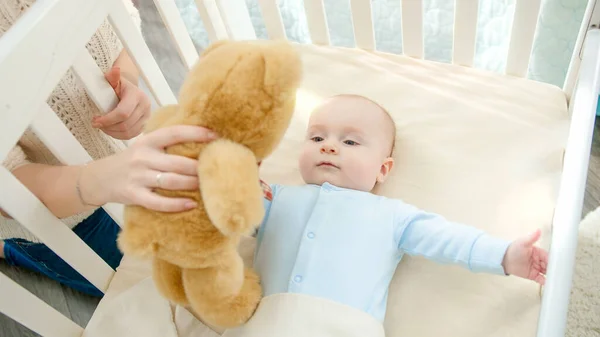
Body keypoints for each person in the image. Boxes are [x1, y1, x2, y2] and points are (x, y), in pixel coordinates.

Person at [254, 94, 548, 322]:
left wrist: (504, 255)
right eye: (317, 138)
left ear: (382, 169)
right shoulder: (273, 197)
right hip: (262, 323)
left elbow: (446, 239)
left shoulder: (391, 216)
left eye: (350, 141)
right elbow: (225, 211)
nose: (328, 146)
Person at [0, 0, 217, 297]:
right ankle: (12, 250)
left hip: (124, 155)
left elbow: (121, 22)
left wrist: (126, 80)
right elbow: (8, 182)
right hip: (60, 213)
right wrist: (96, 181)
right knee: (148, 284)